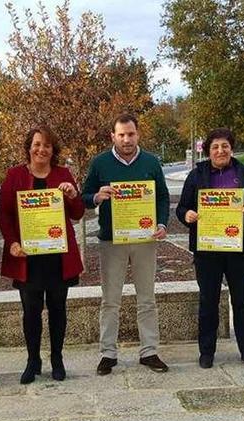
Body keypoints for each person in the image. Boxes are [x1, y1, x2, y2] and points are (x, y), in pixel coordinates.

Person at [81, 113, 171, 375]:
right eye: (121, 134)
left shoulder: (151, 162)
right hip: (112, 240)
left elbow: (163, 197)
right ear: (113, 136)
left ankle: (149, 351)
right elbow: (85, 196)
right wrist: (97, 196)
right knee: (110, 300)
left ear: (138, 134)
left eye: (131, 134)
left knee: (147, 298)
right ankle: (108, 353)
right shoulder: (100, 163)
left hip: (144, 239)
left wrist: (162, 224)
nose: (126, 139)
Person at [176, 128, 244, 369]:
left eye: (225, 146)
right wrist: (187, 214)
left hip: (239, 249)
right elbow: (181, 207)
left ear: (232, 148)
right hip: (208, 250)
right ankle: (207, 352)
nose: (220, 151)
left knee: (243, 302)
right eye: (215, 147)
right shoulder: (196, 176)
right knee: (208, 302)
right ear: (208, 150)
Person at [0, 125, 85, 384]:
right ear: (28, 148)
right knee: (31, 311)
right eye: (37, 144)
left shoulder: (63, 174)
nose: (41, 149)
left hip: (58, 258)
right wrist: (12, 242)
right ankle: (32, 360)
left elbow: (78, 213)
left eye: (47, 145)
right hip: (28, 258)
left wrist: (71, 195)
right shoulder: (14, 175)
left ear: (53, 150)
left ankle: (57, 359)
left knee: (58, 309)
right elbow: (4, 214)